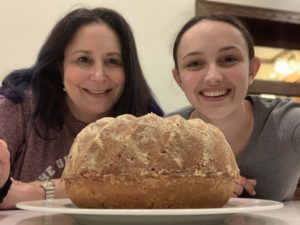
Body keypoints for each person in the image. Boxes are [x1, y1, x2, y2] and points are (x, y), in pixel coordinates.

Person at [0, 7, 163, 209]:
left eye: (112, 61)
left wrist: (31, 192)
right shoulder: (18, 106)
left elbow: (154, 190)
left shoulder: (147, 121)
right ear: (61, 66)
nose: (98, 76)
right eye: (83, 60)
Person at [169, 14, 300, 201]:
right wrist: (192, 189)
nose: (213, 77)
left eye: (229, 59)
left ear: (252, 69)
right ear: (179, 78)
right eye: (195, 63)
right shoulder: (164, 133)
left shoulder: (286, 121)